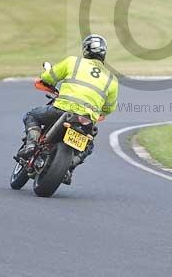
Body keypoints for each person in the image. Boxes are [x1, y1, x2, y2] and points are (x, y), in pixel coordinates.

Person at [16, 34, 118, 181]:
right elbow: (109, 108)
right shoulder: (112, 80)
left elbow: (48, 78)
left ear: (85, 50)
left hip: (62, 109)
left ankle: (31, 145)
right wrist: (99, 111)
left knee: (31, 115)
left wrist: (46, 73)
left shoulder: (73, 62)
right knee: (89, 145)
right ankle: (69, 167)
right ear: (104, 53)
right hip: (86, 119)